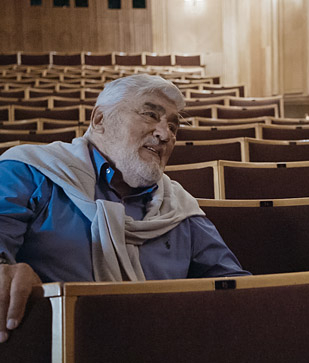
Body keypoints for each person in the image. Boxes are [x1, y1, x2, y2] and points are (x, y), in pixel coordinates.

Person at [0, 74, 249, 343]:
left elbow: (236, 293)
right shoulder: (29, 172)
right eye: (150, 115)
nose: (165, 134)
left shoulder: (180, 207)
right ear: (100, 120)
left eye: (174, 127)